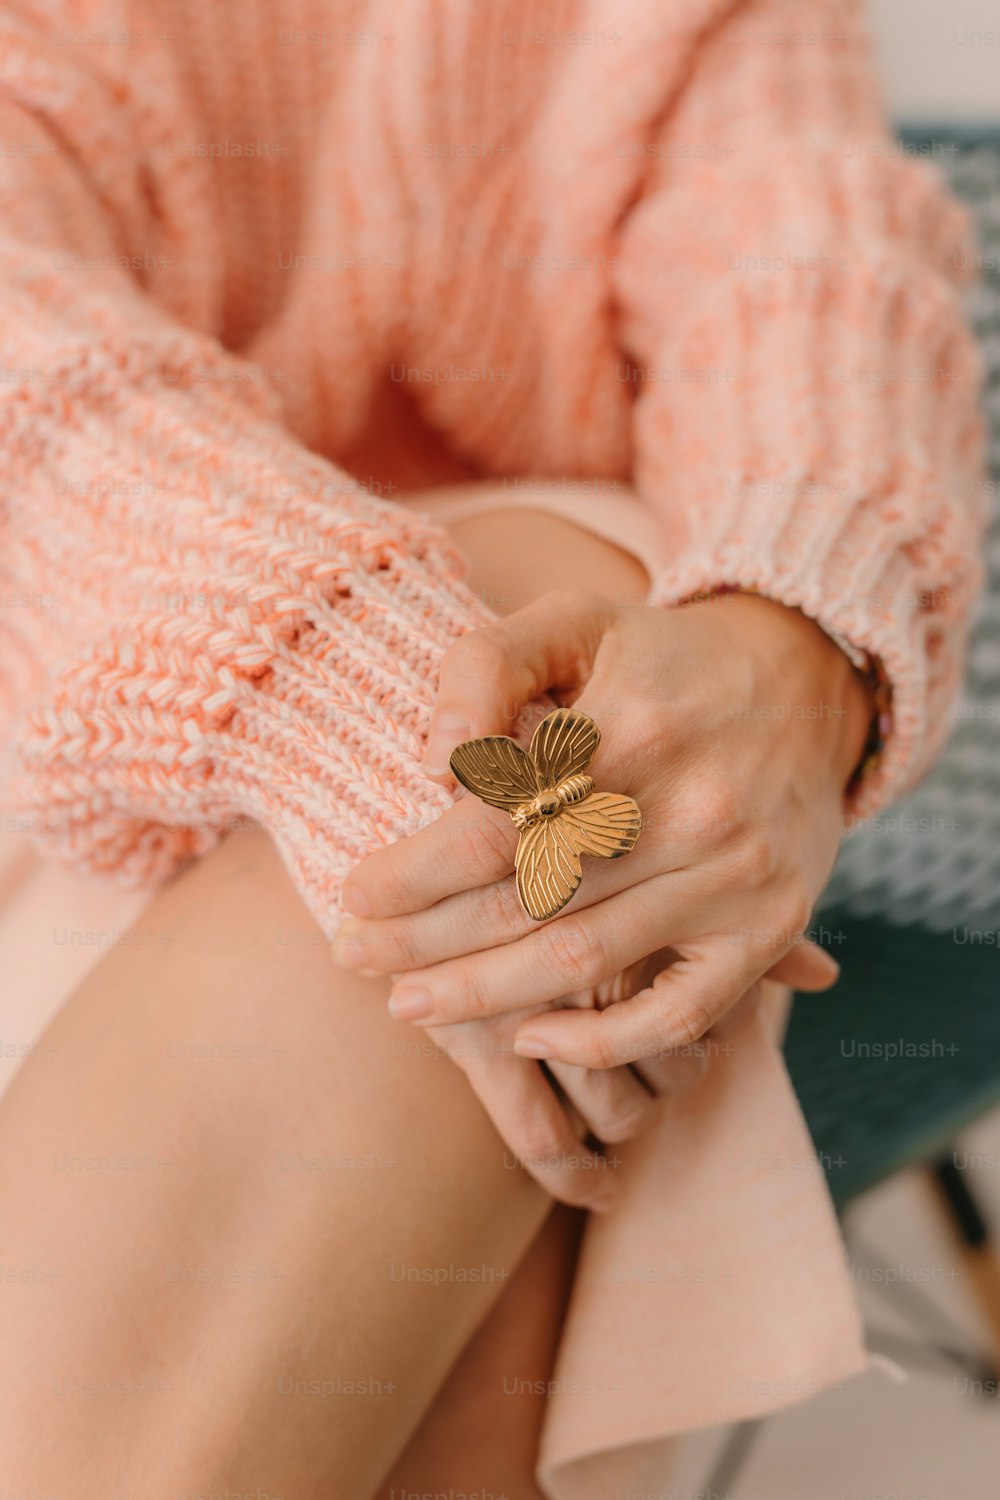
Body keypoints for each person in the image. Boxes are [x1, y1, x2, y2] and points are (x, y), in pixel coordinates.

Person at [0, 0, 983, 1495]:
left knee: (555, 730)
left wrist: (796, 633)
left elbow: (813, 267)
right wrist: (341, 673)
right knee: (526, 778)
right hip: (72, 705)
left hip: (603, 804)